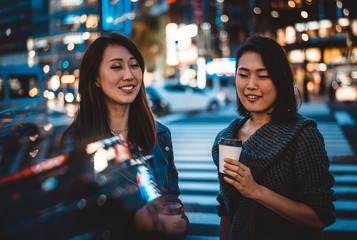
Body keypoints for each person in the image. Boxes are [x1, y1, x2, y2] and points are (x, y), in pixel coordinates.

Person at [60, 32, 188, 239]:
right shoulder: (76, 141)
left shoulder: (160, 134)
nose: (129, 75)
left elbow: (172, 197)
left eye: (134, 65)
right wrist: (135, 222)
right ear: (96, 79)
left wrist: (178, 220)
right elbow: (74, 220)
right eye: (116, 66)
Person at [211, 35, 336, 240]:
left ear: (280, 80)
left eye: (263, 75)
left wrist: (256, 191)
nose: (251, 85)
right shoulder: (226, 138)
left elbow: (320, 217)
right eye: (243, 74)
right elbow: (226, 206)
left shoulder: (303, 136)